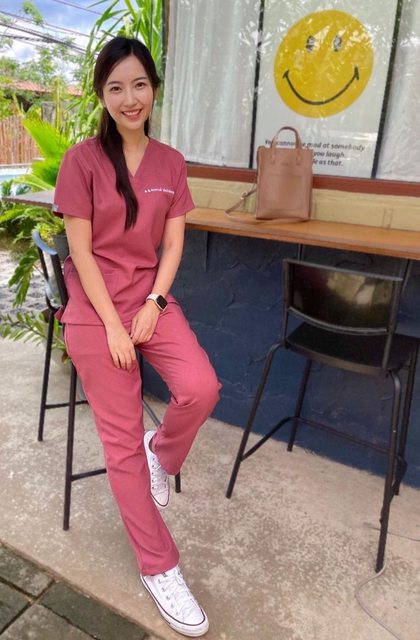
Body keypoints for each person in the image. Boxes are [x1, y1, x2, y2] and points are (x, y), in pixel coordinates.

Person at [53, 36, 220, 637]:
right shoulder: (82, 162)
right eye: (116, 87)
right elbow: (80, 251)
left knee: (201, 388)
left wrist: (154, 303)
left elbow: (172, 243)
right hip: (96, 310)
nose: (130, 98)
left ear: (154, 89)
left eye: (140, 85)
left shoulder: (170, 162)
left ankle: (163, 451)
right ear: (102, 95)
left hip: (150, 301)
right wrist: (112, 327)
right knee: (120, 444)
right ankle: (159, 566)